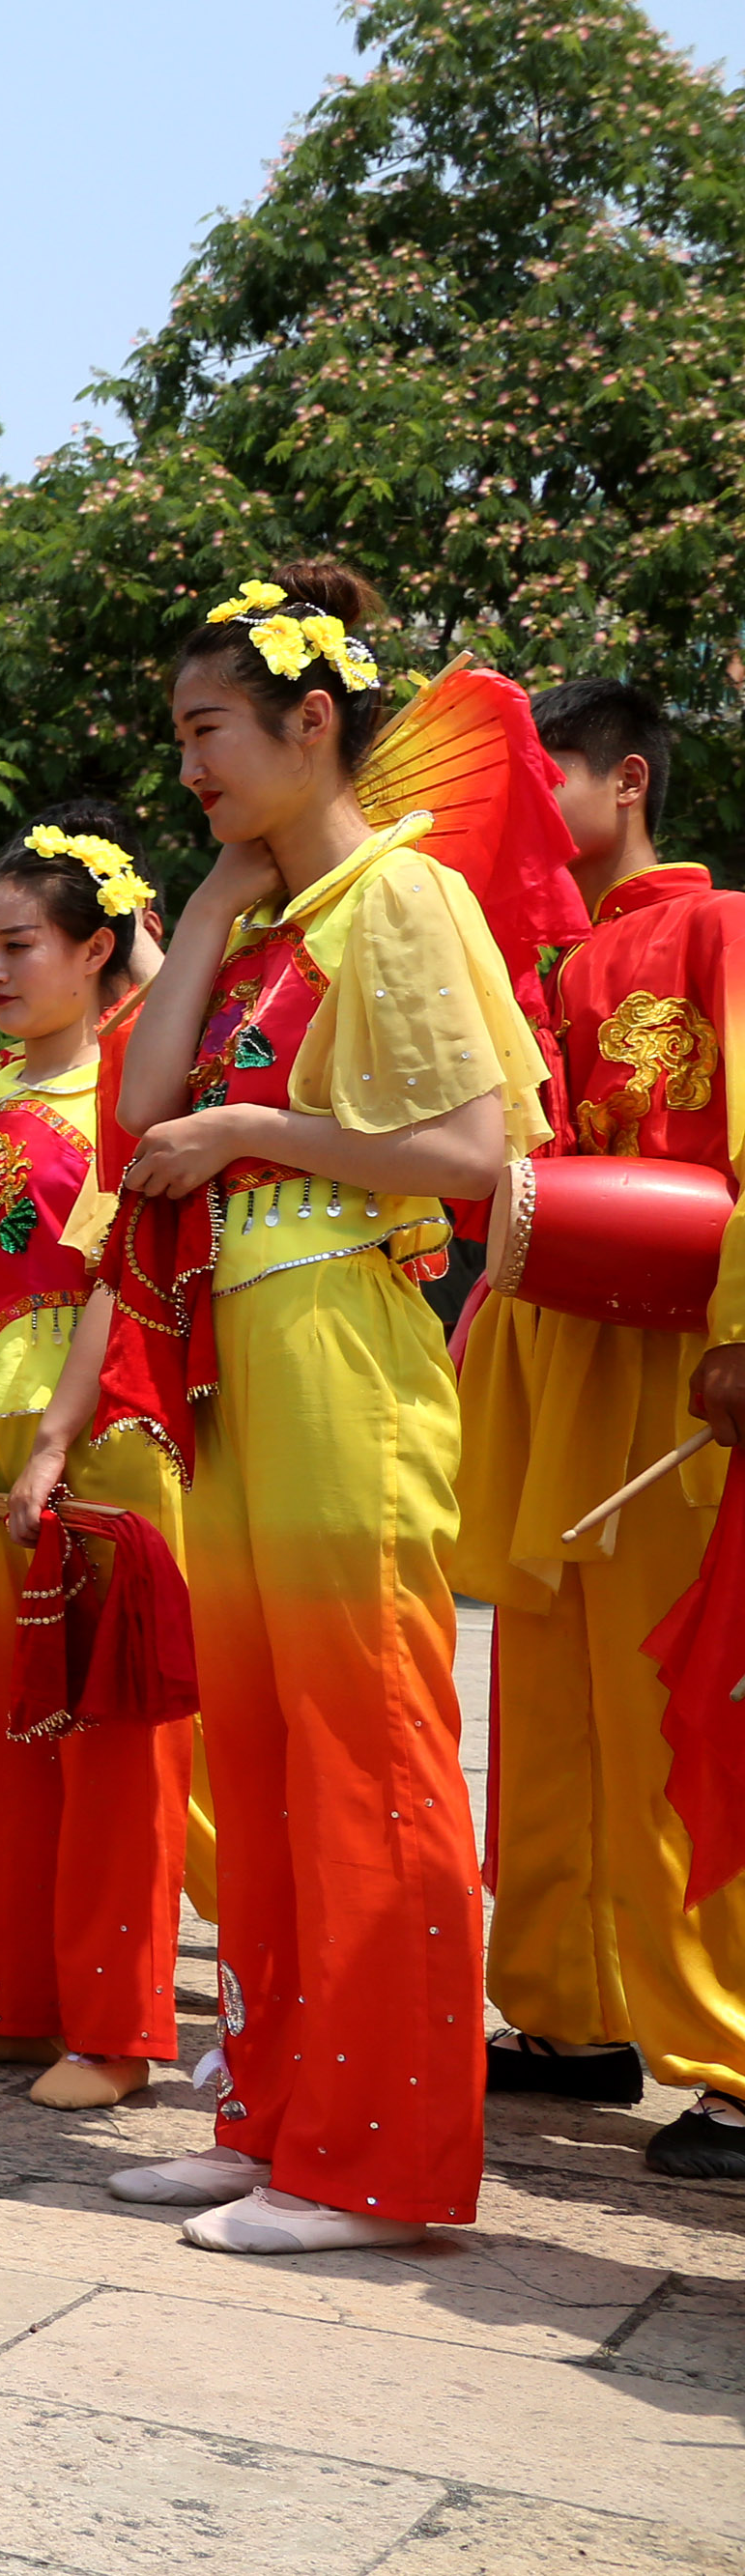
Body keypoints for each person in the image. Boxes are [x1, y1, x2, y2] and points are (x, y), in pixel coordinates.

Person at [95, 563, 544, 2254]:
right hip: (242, 1351)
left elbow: (473, 1156)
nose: (192, 762)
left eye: (211, 731)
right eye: (181, 739)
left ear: (310, 724)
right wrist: (212, 899)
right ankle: (275, 2108)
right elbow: (139, 1112)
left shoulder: (404, 901)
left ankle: (382, 2155)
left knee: (370, 1750)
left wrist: (257, 1138)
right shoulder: (274, 925)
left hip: (344, 1337)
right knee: (269, 1753)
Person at [456, 679, 745, 2179]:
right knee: (551, 1706)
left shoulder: (719, 929)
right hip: (557, 1351)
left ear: (625, 781)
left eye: (543, 775)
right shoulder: (543, 959)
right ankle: (566, 2013)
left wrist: (744, 1331)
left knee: (671, 1707)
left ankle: (735, 2052)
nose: (526, 805)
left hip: (674, 1365)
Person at [0, 822, 189, 2109]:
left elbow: (123, 1279)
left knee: (109, 1737)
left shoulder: (132, 1102)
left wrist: (61, 1437)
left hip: (105, 1442)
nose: (0, 972)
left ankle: (117, 2029)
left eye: (24, 945)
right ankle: (9, 1998)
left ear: (95, 946)